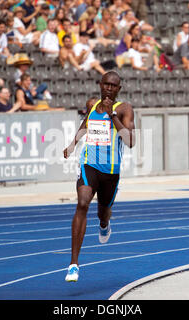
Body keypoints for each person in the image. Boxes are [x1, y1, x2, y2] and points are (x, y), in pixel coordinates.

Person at [63, 70, 135, 282]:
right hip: (89, 164)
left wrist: (112, 116)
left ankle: (104, 224)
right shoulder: (92, 104)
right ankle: (74, 264)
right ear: (100, 84)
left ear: (119, 89)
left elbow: (130, 141)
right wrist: (72, 144)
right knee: (83, 203)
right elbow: (86, 123)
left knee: (103, 212)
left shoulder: (124, 109)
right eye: (106, 85)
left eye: (113, 86)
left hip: (110, 171)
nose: (109, 89)